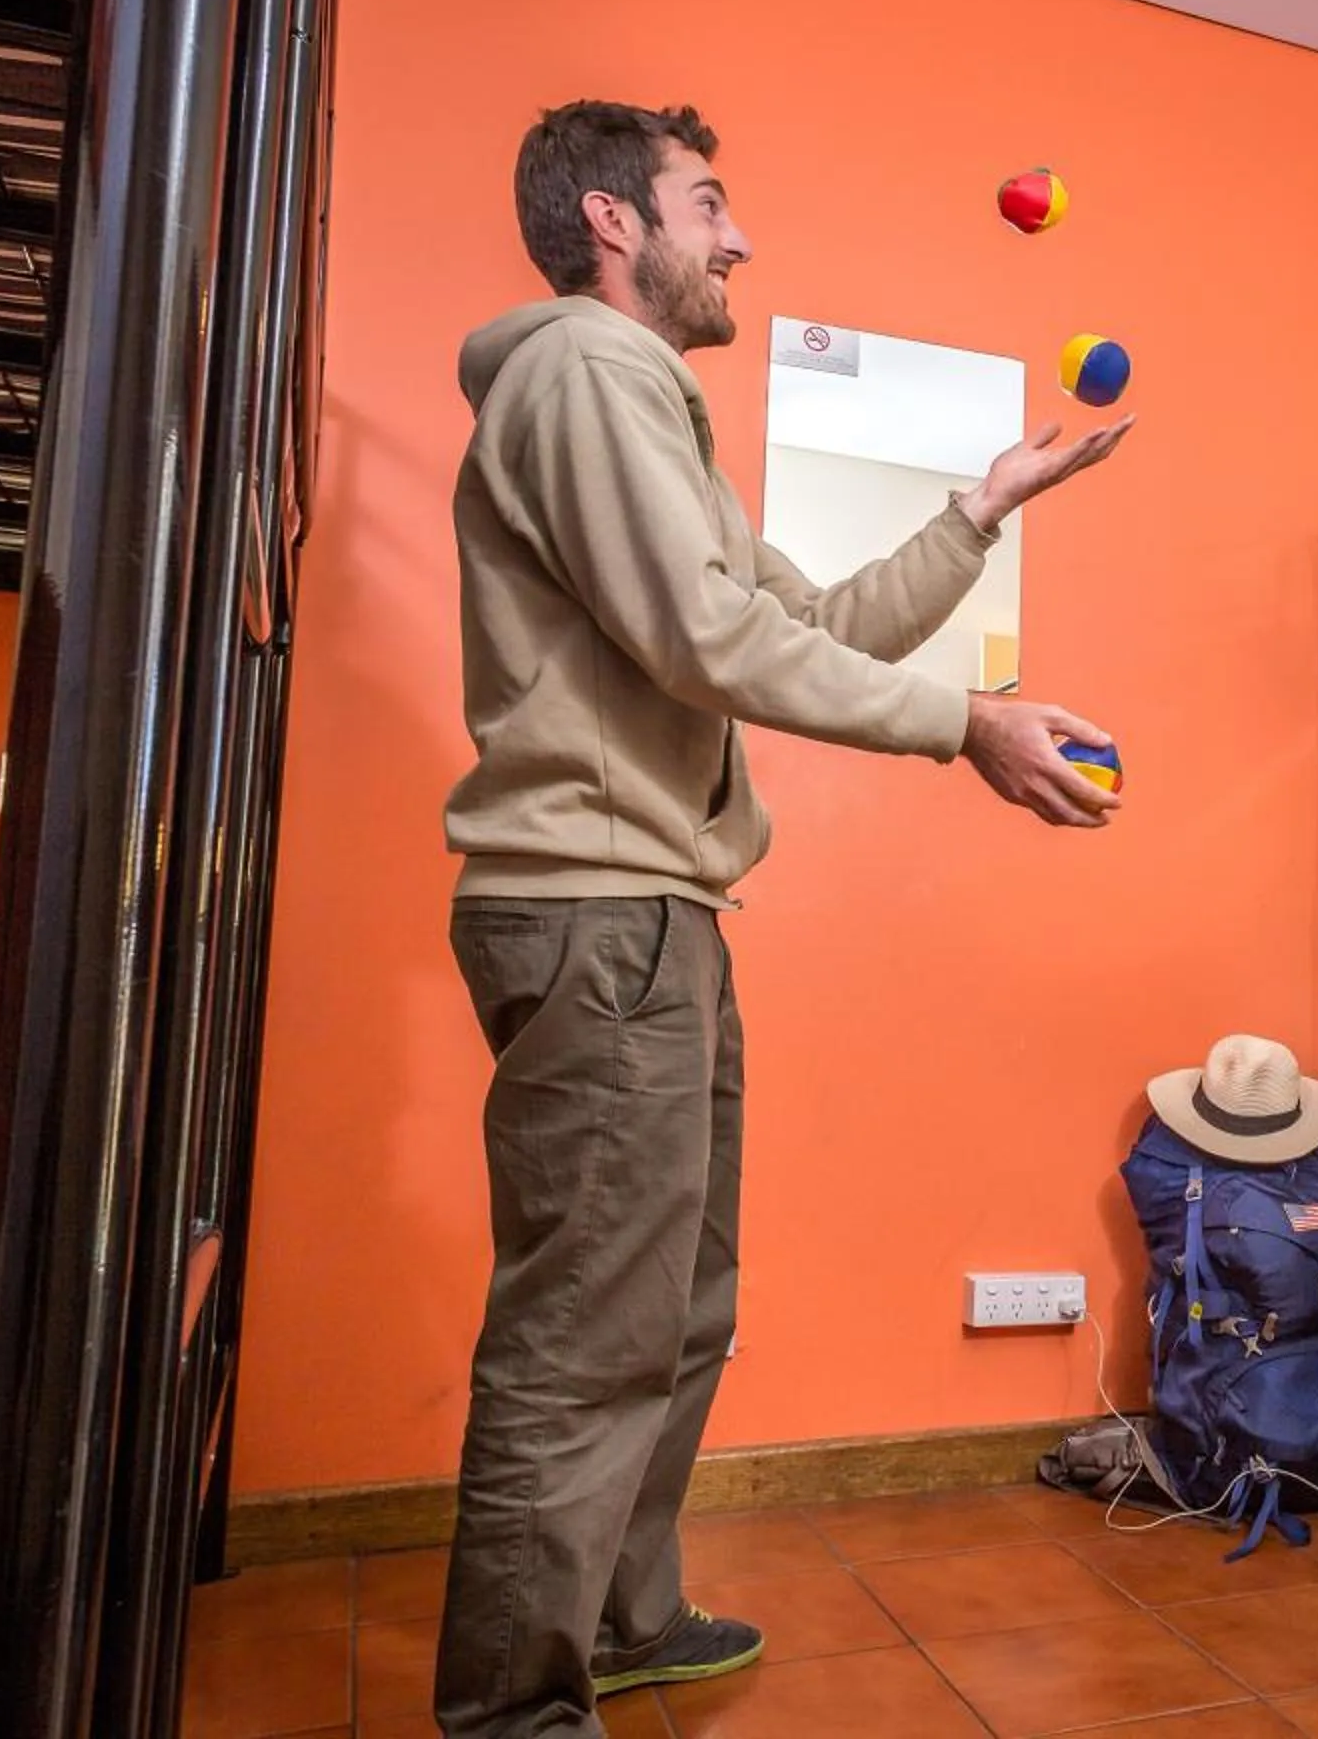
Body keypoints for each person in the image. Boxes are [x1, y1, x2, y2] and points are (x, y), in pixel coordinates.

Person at [433, 100, 1131, 1738]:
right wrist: (969, 729)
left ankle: (625, 1614)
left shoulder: (640, 406)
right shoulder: (593, 374)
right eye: (709, 204)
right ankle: (511, 1716)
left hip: (651, 906)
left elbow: (804, 619)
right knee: (593, 1323)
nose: (737, 239)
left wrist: (987, 504)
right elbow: (702, 638)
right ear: (616, 221)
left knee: (676, 1301)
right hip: (601, 911)